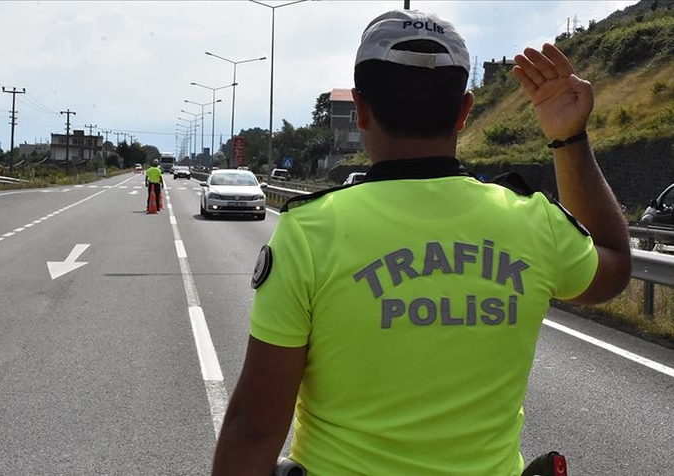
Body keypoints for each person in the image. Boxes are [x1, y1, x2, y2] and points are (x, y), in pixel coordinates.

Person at [212, 9, 631, 476]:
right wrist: (569, 138)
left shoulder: (311, 233)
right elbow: (613, 267)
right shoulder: (535, 223)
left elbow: (254, 427)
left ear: (362, 109)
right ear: (465, 111)